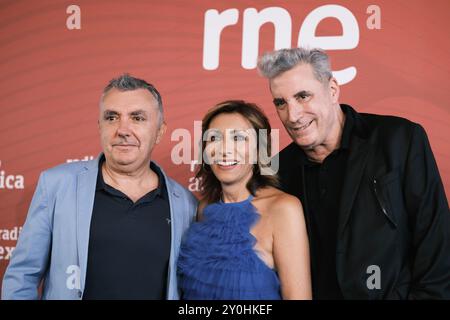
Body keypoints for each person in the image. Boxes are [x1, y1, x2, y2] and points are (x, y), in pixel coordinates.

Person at [257, 47, 450, 299]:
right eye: (281, 103)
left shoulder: (399, 140)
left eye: (303, 96)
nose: (292, 116)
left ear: (333, 89)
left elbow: (436, 247)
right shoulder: (275, 171)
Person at [2, 74, 197, 300]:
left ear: (160, 132)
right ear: (99, 126)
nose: (123, 130)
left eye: (137, 118)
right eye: (112, 117)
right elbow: (22, 275)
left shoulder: (186, 205)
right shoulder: (56, 185)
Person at [177, 100, 311, 300]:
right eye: (214, 138)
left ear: (260, 148)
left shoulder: (283, 209)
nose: (225, 149)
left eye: (239, 138)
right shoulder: (204, 209)